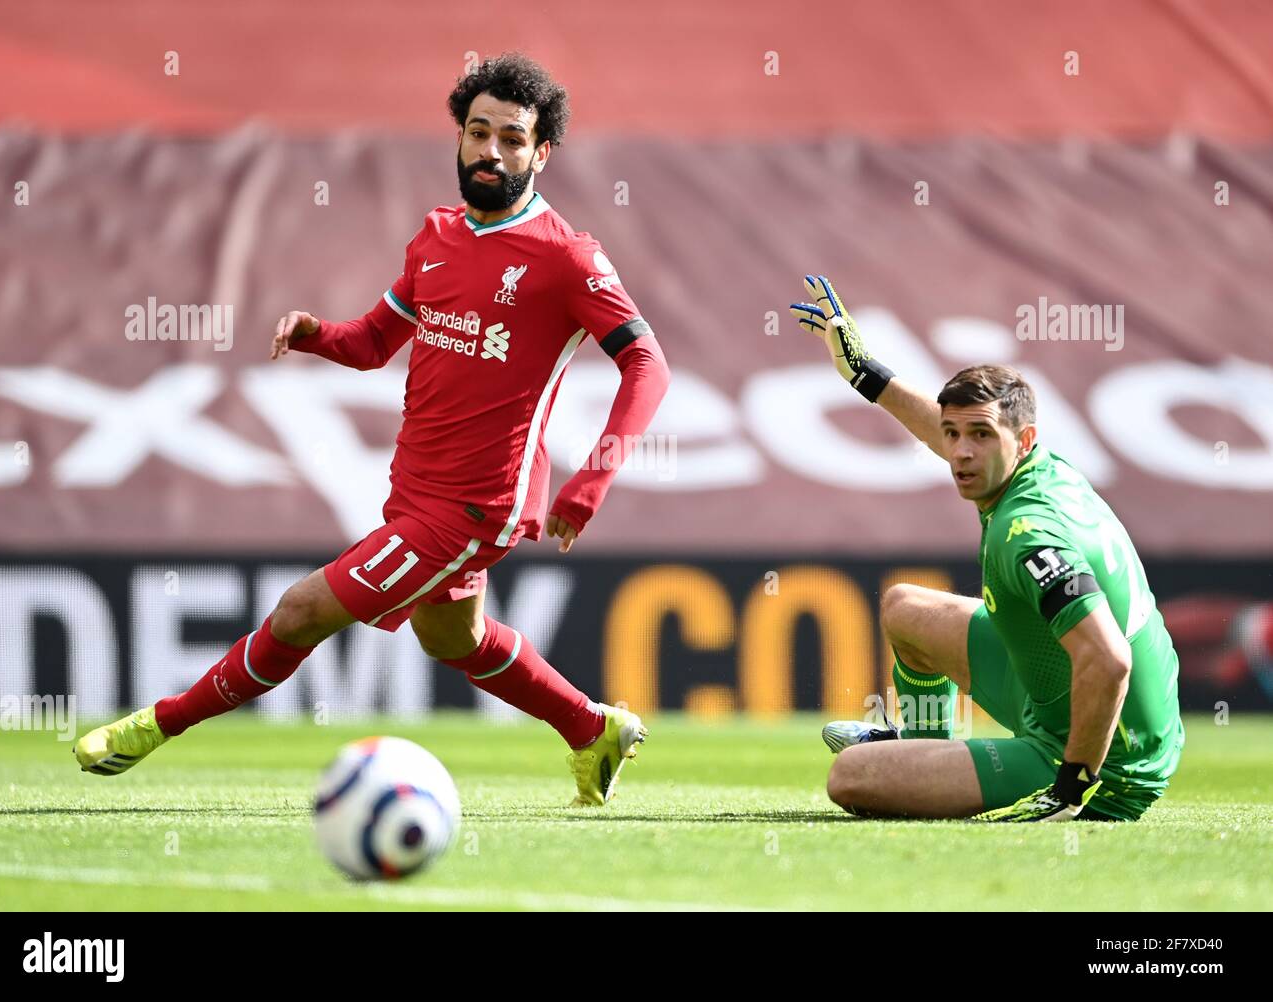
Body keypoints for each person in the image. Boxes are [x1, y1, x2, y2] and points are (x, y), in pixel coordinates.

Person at [75, 53, 670, 807]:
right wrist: (317, 332)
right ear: (458, 138)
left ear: (542, 152)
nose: (492, 151)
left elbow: (648, 364)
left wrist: (594, 477)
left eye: (513, 139)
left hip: (474, 504)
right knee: (452, 639)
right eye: (478, 132)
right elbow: (374, 341)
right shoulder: (437, 237)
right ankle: (592, 727)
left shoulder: (565, 257)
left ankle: (155, 727)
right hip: (414, 489)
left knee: (300, 612)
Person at [790, 276, 1184, 821]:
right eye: (954, 435)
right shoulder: (1041, 468)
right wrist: (865, 374)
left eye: (979, 436)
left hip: (1095, 750)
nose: (960, 454)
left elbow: (1110, 661)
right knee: (906, 608)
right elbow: (945, 428)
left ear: (1021, 440)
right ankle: (922, 748)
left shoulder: (1027, 533)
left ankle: (1042, 779)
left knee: (852, 777)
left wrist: (1071, 785)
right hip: (1060, 693)